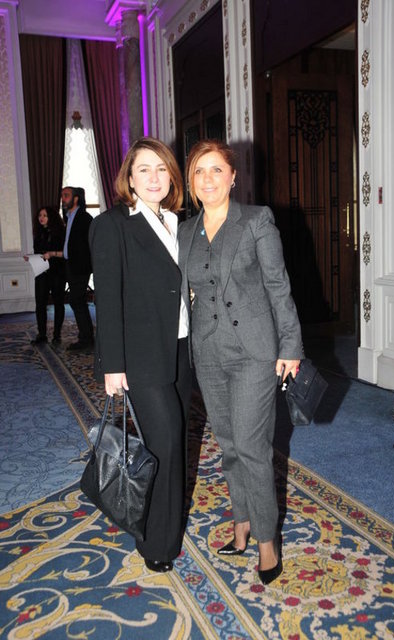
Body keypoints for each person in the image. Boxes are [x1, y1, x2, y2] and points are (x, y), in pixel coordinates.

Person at [178, 139, 303, 586]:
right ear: (190, 182)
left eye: (216, 170)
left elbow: (278, 286)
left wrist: (290, 346)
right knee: (228, 444)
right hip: (208, 351)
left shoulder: (255, 220)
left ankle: (268, 541)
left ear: (233, 177)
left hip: (254, 350)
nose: (208, 179)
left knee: (252, 446)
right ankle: (241, 522)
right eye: (199, 171)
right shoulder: (184, 231)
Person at [89, 137, 191, 573]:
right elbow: (108, 299)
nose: (154, 177)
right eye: (144, 169)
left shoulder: (178, 221)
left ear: (171, 177)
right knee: (164, 441)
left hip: (182, 349)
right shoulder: (112, 225)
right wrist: (112, 365)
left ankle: (165, 526)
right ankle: (156, 542)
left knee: (175, 440)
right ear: (129, 178)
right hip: (140, 355)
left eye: (162, 169)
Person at [25, 206, 66, 345]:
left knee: (58, 303)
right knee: (40, 304)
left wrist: (52, 254)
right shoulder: (39, 233)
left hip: (57, 272)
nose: (41, 218)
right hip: (42, 271)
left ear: (51, 217)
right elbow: (39, 252)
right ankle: (42, 334)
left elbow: (65, 253)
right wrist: (31, 257)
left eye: (44, 215)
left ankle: (57, 335)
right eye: (39, 215)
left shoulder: (61, 232)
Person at [61, 186, 94, 350]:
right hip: (70, 265)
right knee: (77, 301)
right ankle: (86, 336)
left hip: (80, 267)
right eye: (62, 195)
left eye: (66, 195)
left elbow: (89, 244)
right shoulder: (68, 217)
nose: (63, 199)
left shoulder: (84, 218)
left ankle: (86, 339)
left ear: (75, 199)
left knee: (76, 301)